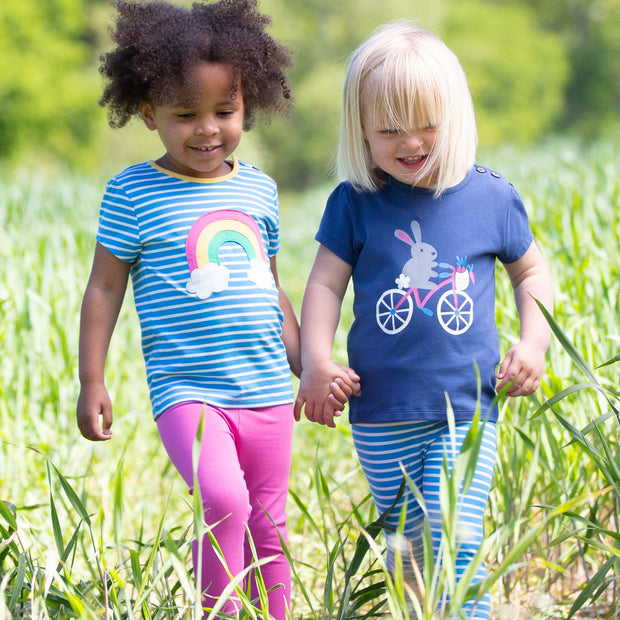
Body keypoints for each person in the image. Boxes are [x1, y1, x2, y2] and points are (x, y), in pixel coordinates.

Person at [76, 1, 358, 618]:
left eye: (224, 112)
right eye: (186, 115)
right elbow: (103, 289)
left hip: (263, 392)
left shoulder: (259, 188)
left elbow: (270, 288)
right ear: (148, 112)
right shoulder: (132, 192)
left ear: (247, 105)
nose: (208, 129)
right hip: (188, 391)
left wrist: (307, 361)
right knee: (225, 501)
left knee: (270, 524)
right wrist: (91, 380)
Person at [293, 21, 553, 619]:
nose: (411, 142)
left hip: (464, 405)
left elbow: (532, 275)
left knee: (451, 528)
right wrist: (317, 360)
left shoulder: (491, 197)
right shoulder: (355, 202)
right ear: (361, 130)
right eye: (389, 129)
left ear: (456, 114)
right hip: (380, 412)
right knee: (407, 551)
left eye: (427, 124)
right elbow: (325, 284)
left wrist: (533, 343)